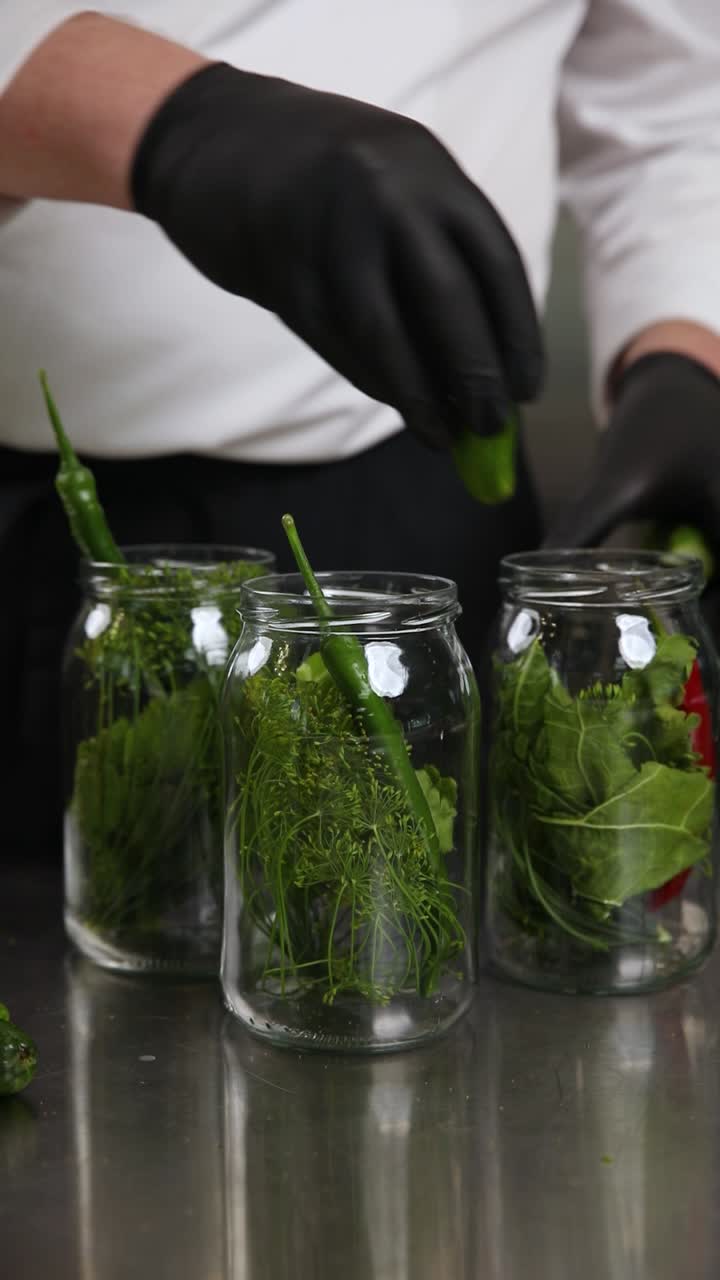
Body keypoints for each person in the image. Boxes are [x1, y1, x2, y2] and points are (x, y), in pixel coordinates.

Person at [1, 4, 720, 852]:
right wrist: (161, 119)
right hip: (31, 526)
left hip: (413, 519)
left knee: (417, 921)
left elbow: (670, 96)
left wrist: (684, 340)